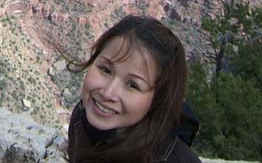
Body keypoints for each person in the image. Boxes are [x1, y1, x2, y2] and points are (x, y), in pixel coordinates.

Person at [67, 15, 201, 163]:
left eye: (132, 85)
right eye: (105, 70)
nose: (107, 93)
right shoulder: (81, 120)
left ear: (158, 99)